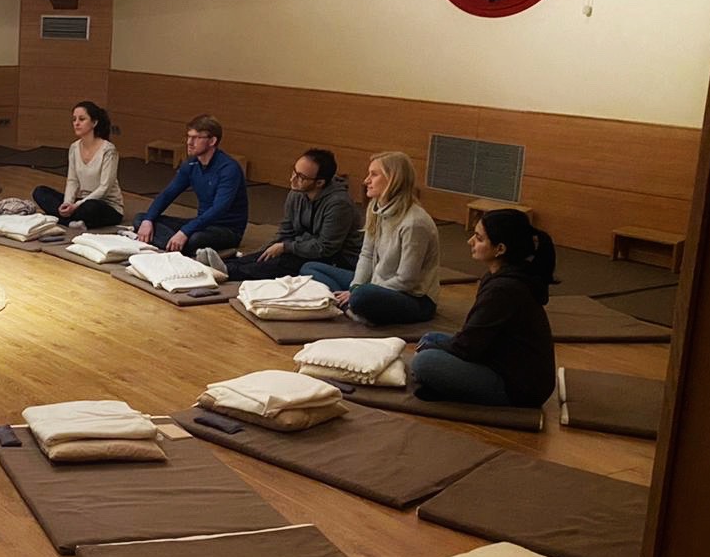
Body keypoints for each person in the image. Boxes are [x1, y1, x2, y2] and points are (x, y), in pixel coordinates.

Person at [410, 209, 557, 407]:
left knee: (424, 362)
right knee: (430, 339)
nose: (470, 241)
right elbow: (475, 337)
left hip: (518, 388)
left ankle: (449, 386)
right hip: (498, 359)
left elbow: (467, 347)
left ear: (500, 249)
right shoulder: (502, 277)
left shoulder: (505, 288)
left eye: (479, 238)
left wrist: (434, 351)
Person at [302, 150, 440, 325]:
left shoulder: (414, 223)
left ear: (393, 179)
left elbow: (407, 280)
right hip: (376, 282)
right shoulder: (376, 207)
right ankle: (348, 305)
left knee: (362, 297)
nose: (366, 180)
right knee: (310, 268)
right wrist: (355, 286)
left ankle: (350, 305)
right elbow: (366, 254)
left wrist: (359, 291)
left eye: (374, 175)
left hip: (413, 298)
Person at [201, 148, 362, 281]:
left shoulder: (339, 204)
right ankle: (224, 265)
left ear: (319, 183)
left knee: (284, 262)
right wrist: (263, 251)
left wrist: (286, 247)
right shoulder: (297, 193)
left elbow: (325, 248)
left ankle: (226, 272)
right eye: (294, 171)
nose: (293, 179)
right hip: (303, 246)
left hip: (336, 259)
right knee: (266, 255)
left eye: (301, 177)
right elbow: (286, 232)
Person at [133, 115, 248, 255]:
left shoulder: (229, 169)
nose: (189, 142)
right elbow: (168, 194)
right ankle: (175, 244)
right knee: (141, 219)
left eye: (196, 138)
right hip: (201, 223)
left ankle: (170, 243)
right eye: (188, 136)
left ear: (212, 141)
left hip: (226, 229)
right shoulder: (191, 164)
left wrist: (185, 231)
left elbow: (218, 209)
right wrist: (148, 220)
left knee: (195, 239)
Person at [32, 101, 124, 229]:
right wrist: (67, 203)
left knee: (90, 208)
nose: (76, 123)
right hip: (80, 203)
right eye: (74, 119)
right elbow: (72, 180)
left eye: (82, 119)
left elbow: (105, 187)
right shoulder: (74, 147)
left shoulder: (108, 150)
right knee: (40, 192)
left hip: (104, 205)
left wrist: (77, 205)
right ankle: (70, 222)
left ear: (94, 123)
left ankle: (61, 219)